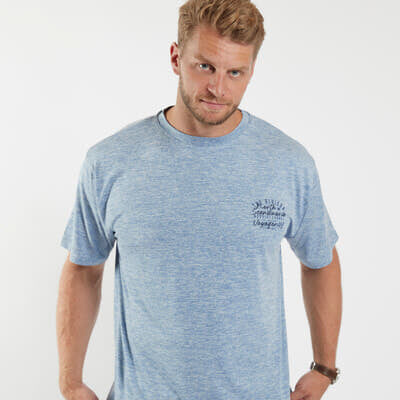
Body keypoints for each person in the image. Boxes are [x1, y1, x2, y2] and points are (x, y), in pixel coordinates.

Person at [56, 1, 342, 399]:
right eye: (205, 66)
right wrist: (70, 381)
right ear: (176, 58)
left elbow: (320, 260)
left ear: (251, 72)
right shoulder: (111, 161)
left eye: (235, 72)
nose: (218, 89)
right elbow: (84, 269)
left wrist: (324, 366)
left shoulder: (287, 162)